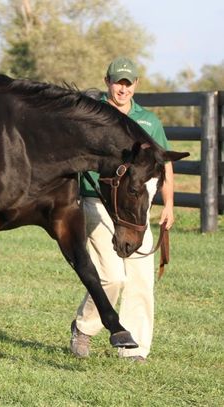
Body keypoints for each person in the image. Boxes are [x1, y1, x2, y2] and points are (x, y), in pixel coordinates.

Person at [70, 57, 175, 363]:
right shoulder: (93, 114)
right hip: (95, 200)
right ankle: (84, 327)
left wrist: (168, 203)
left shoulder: (149, 121)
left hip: (134, 207)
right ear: (107, 82)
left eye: (128, 84)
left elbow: (163, 164)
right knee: (114, 276)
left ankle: (135, 347)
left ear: (136, 85)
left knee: (141, 278)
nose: (123, 89)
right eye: (118, 82)